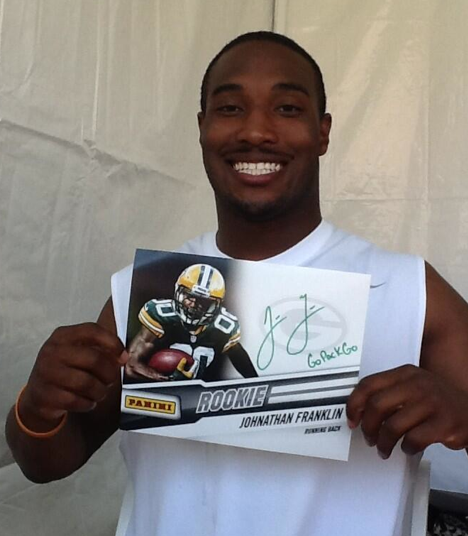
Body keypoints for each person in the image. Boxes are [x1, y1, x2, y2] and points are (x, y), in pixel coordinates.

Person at [6, 30, 468, 535]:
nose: (256, 130)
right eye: (230, 108)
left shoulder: (408, 290)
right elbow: (45, 461)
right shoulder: (140, 292)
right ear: (202, 128)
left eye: (287, 108)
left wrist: (463, 415)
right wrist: (38, 407)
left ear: (322, 132)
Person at [125, 263, 256, 381]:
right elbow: (131, 365)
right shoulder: (161, 316)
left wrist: (255, 382)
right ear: (178, 291)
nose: (193, 305)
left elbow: (239, 358)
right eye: (189, 297)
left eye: (203, 301)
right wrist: (166, 379)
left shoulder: (223, 327)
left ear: (215, 305)